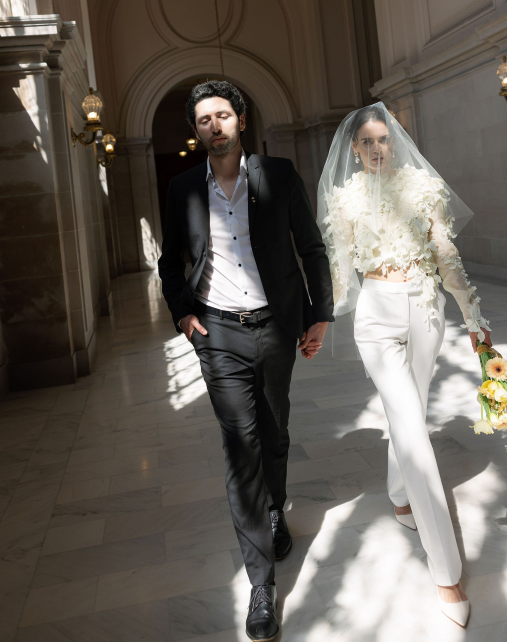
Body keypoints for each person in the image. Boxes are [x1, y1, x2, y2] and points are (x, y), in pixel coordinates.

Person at [158, 80, 333, 642]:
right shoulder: (183, 186)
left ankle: (276, 509)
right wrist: (184, 316)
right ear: (196, 129)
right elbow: (169, 261)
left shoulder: (276, 175)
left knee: (275, 428)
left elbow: (310, 247)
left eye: (223, 115)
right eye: (204, 118)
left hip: (276, 327)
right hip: (219, 333)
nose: (214, 125)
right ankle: (261, 585)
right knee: (241, 445)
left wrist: (319, 315)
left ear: (240, 121)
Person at [317, 102, 492, 628]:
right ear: (353, 148)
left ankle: (399, 496)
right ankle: (447, 573)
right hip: (375, 315)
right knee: (412, 430)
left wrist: (474, 316)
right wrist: (319, 318)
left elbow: (447, 255)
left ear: (393, 143)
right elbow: (337, 270)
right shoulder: (343, 200)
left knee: (411, 408)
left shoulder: (421, 188)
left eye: (382, 140)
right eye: (366, 142)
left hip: (425, 309)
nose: (375, 149)